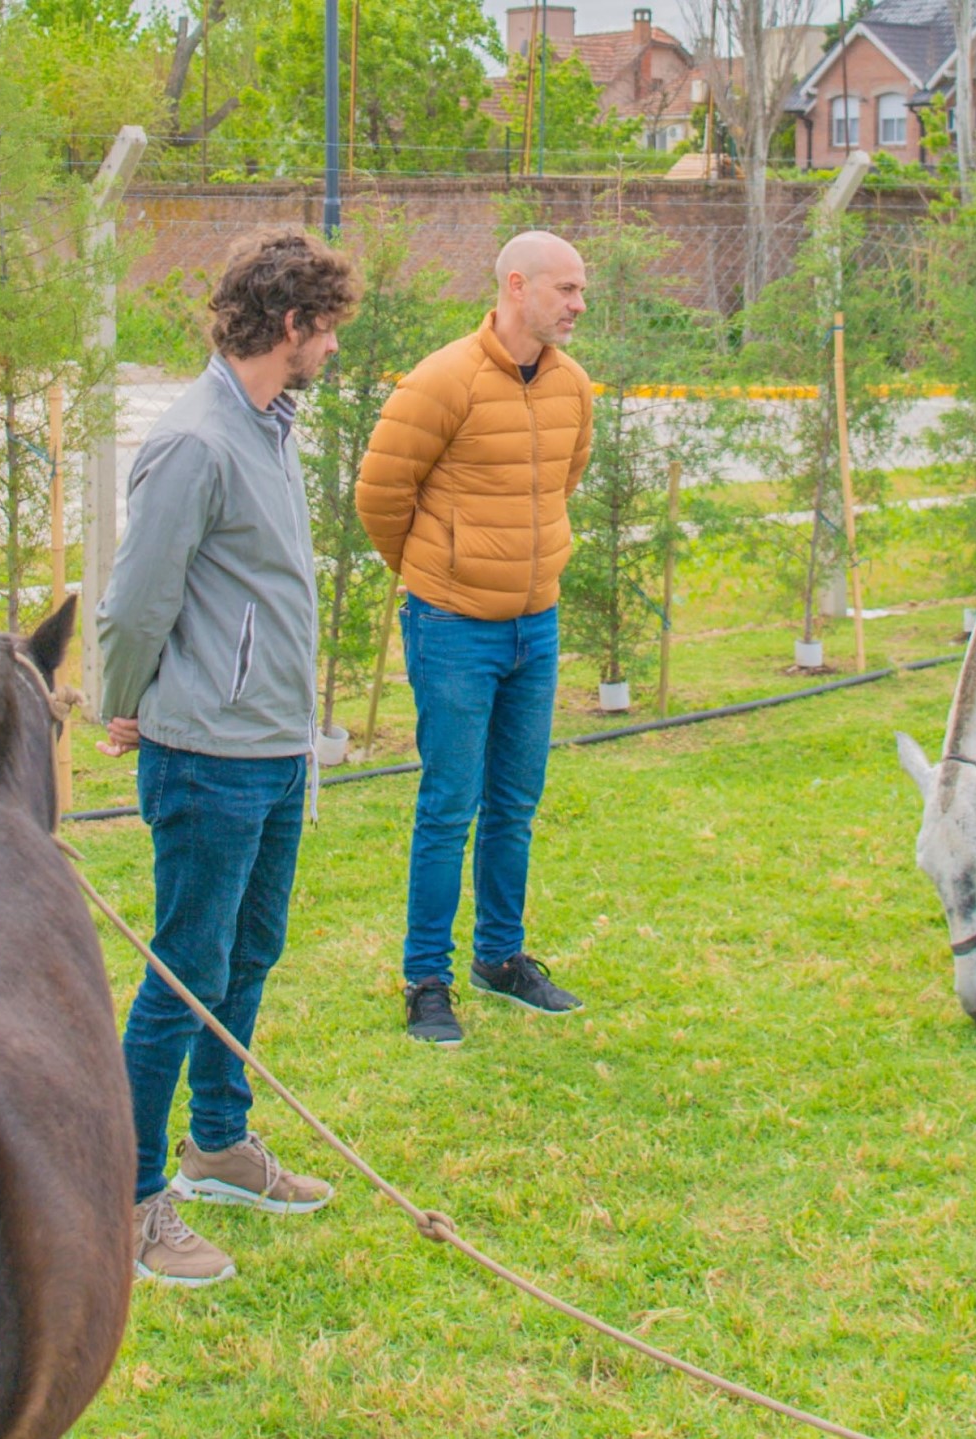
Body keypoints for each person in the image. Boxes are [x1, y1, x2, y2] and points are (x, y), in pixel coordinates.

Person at [96, 230, 361, 1284]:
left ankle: (218, 1145)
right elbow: (136, 600)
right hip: (207, 756)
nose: (336, 347)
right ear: (291, 325)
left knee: (249, 955)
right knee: (184, 972)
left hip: (272, 749)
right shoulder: (198, 441)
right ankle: (125, 1199)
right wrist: (124, 704)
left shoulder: (268, 424)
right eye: (329, 327)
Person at [355, 231, 594, 1047]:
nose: (577, 305)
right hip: (453, 627)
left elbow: (563, 479)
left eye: (581, 290)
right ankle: (427, 978)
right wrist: (438, 571)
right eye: (565, 289)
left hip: (537, 624)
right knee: (449, 804)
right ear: (516, 286)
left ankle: (501, 958)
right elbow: (381, 494)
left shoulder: (572, 388)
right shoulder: (441, 380)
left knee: (515, 804)